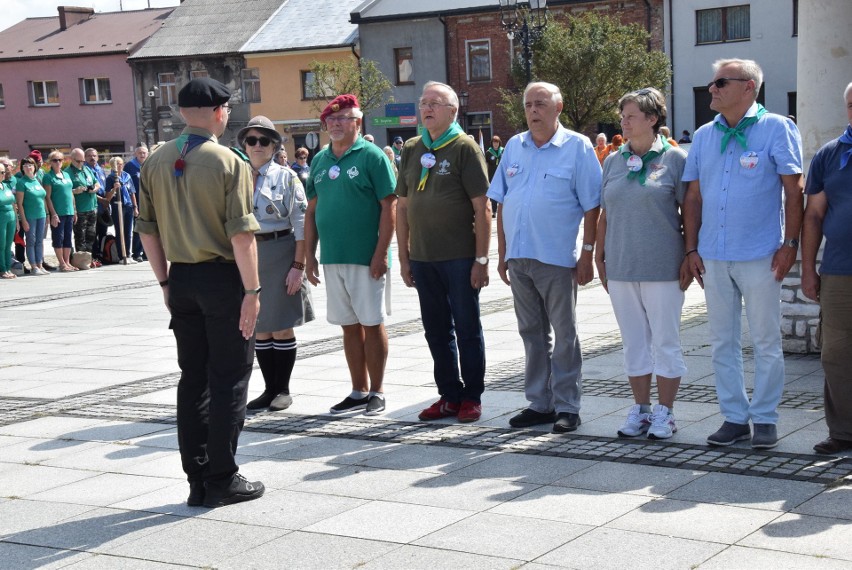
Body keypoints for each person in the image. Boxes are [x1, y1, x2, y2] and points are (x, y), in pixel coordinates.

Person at [137, 77, 265, 508]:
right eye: (227, 109)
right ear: (217, 111)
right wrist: (253, 290)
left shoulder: (155, 160)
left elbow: (147, 232)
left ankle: (197, 476)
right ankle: (223, 477)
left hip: (183, 279)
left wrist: (165, 283)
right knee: (229, 378)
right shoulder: (229, 161)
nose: (227, 115)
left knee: (193, 380)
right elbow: (242, 236)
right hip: (224, 279)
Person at [683, 58, 803, 449]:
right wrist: (691, 248)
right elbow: (694, 196)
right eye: (712, 82)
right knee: (722, 341)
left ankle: (765, 418)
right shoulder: (703, 135)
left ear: (748, 87)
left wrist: (790, 245)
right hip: (714, 255)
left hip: (761, 254)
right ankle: (734, 417)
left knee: (766, 340)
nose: (712, 89)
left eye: (720, 82)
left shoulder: (776, 127)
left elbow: (793, 190)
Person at [488, 82, 601, 433]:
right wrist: (502, 252)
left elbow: (593, 205)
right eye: (528, 105)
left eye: (540, 103)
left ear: (558, 107)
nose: (533, 110)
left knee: (564, 334)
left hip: (556, 257)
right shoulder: (514, 146)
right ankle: (540, 403)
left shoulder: (578, 147)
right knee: (531, 333)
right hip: (520, 257)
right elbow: (502, 201)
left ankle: (568, 405)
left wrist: (587, 254)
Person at [595, 87, 692, 440]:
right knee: (634, 342)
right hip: (621, 266)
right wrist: (598, 253)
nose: (624, 121)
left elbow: (690, 211)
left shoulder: (675, 159)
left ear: (652, 120)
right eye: (622, 116)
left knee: (665, 341)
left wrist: (690, 253)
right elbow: (606, 211)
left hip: (663, 266)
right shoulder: (613, 160)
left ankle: (666, 412)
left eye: (631, 116)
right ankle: (641, 409)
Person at [397, 81, 491, 423]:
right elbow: (403, 207)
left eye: (435, 103)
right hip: (423, 257)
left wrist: (482, 260)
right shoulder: (411, 148)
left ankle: (472, 396)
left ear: (453, 110)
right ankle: (448, 394)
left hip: (460, 256)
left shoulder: (465, 147)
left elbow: (482, 208)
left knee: (467, 327)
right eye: (423, 103)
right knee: (435, 329)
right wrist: (405, 258)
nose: (427, 108)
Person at [304, 94, 397, 416]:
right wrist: (309, 255)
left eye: (343, 118)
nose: (335, 124)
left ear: (357, 122)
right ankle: (357, 390)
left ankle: (378, 390)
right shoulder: (319, 160)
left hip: (365, 256)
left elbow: (389, 206)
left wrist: (381, 253)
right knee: (347, 324)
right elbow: (312, 211)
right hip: (332, 256)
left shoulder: (372, 156)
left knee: (371, 323)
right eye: (331, 119)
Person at [238, 116, 314, 412]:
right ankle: (269, 389)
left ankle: (282, 389)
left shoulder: (286, 177)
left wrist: (299, 265)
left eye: (264, 141)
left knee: (281, 327)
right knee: (260, 327)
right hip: (249, 252)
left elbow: (302, 223)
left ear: (274, 145)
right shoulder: (237, 175)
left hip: (281, 250)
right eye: (251, 140)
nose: (257, 146)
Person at [801, 82, 852, 455]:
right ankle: (844, 431)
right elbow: (814, 215)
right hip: (839, 271)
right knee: (835, 352)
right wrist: (808, 268)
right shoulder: (830, 155)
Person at [42, 151, 77, 272]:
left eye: (60, 160)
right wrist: (53, 214)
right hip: (58, 212)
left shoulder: (66, 175)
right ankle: (61, 263)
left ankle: (67, 262)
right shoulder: (48, 177)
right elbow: (47, 197)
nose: (57, 162)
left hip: (69, 211)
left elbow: (71, 193)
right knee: (58, 238)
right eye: (54, 160)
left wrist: (75, 210)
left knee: (68, 238)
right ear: (50, 162)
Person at [15, 157, 49, 275]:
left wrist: (47, 214)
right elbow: (19, 203)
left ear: (35, 167)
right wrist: (23, 220)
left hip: (41, 215)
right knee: (31, 241)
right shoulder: (21, 182)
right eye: (25, 166)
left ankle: (40, 264)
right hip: (30, 216)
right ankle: (33, 266)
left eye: (30, 165)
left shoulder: (36, 180)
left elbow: (43, 198)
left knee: (40, 241)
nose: (28, 168)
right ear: (22, 169)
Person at [66, 148, 99, 266]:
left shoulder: (87, 169)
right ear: (72, 159)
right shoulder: (67, 172)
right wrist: (75, 190)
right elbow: (64, 190)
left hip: (92, 207)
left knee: (91, 236)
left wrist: (94, 189)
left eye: (82, 161)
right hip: (79, 209)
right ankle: (80, 261)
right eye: (78, 161)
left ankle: (88, 259)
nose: (80, 163)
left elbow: (96, 183)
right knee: (80, 236)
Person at [105, 156, 138, 262]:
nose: (120, 166)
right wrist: (114, 188)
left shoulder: (127, 176)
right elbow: (107, 196)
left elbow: (132, 192)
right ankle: (121, 255)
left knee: (128, 231)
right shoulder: (110, 178)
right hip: (117, 206)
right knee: (120, 231)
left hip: (128, 205)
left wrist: (135, 207)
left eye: (121, 163)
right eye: (117, 164)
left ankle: (128, 254)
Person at [124, 145, 149, 262]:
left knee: (148, 228)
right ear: (135, 154)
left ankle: (146, 252)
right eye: (140, 153)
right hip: (136, 202)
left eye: (144, 153)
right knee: (138, 228)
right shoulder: (130, 167)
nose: (142, 155)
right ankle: (137, 253)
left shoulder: (149, 165)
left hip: (149, 201)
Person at [85, 148, 109, 263]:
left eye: (94, 155)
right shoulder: (85, 171)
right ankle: (94, 256)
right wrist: (101, 200)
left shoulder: (100, 170)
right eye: (89, 156)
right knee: (93, 233)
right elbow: (88, 190)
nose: (92, 158)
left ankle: (103, 254)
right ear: (85, 158)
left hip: (103, 207)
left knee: (103, 232)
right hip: (93, 205)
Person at [0, 161, 18, 279]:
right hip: (1, 217)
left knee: (8, 245)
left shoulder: (5, 185)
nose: (2, 174)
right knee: (1, 244)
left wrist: (16, 219)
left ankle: (7, 267)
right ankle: (2, 269)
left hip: (11, 216)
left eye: (2, 172)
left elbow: (13, 203)